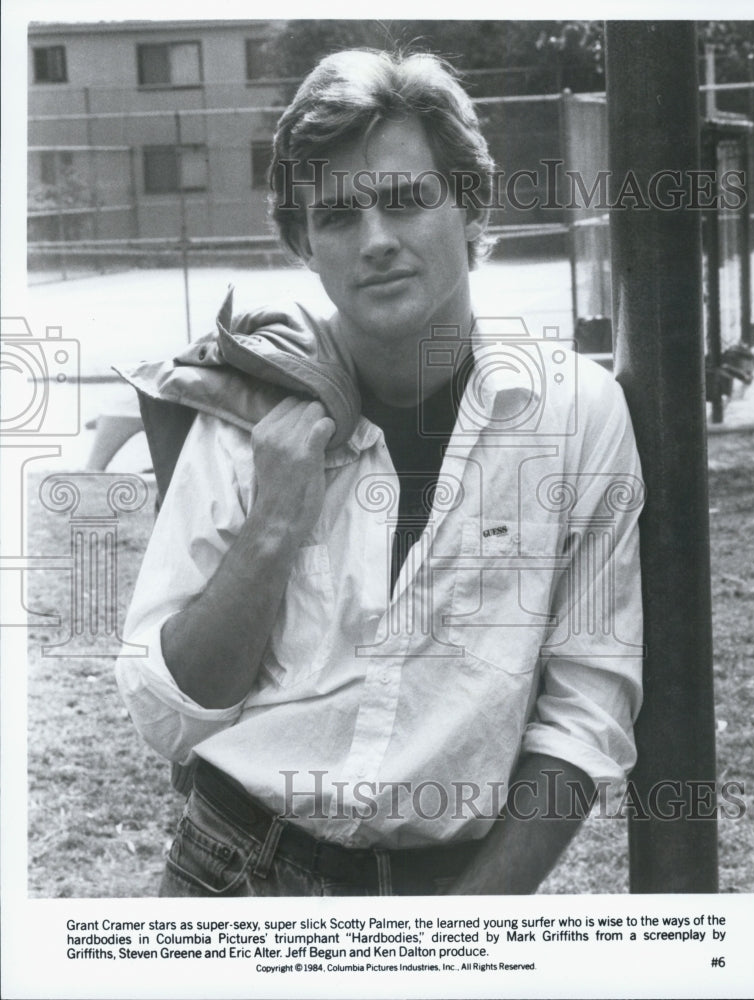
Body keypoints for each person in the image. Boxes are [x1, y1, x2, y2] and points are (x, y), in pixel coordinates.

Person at [116, 48, 644, 897]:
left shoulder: (573, 414)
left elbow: (585, 714)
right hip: (233, 868)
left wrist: (457, 936)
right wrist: (275, 524)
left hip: (451, 888)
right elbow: (171, 711)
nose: (377, 242)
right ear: (303, 243)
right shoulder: (254, 406)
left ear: (470, 207)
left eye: (406, 201)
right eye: (337, 217)